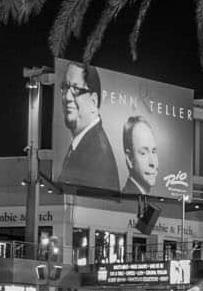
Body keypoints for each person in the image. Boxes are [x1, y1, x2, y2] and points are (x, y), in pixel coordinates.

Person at [56, 61, 119, 193]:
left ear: (94, 101)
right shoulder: (84, 143)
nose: (67, 97)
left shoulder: (97, 155)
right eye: (65, 87)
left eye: (76, 89)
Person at [121, 115, 160, 195]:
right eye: (143, 153)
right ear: (129, 159)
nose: (152, 163)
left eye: (153, 151)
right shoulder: (129, 201)